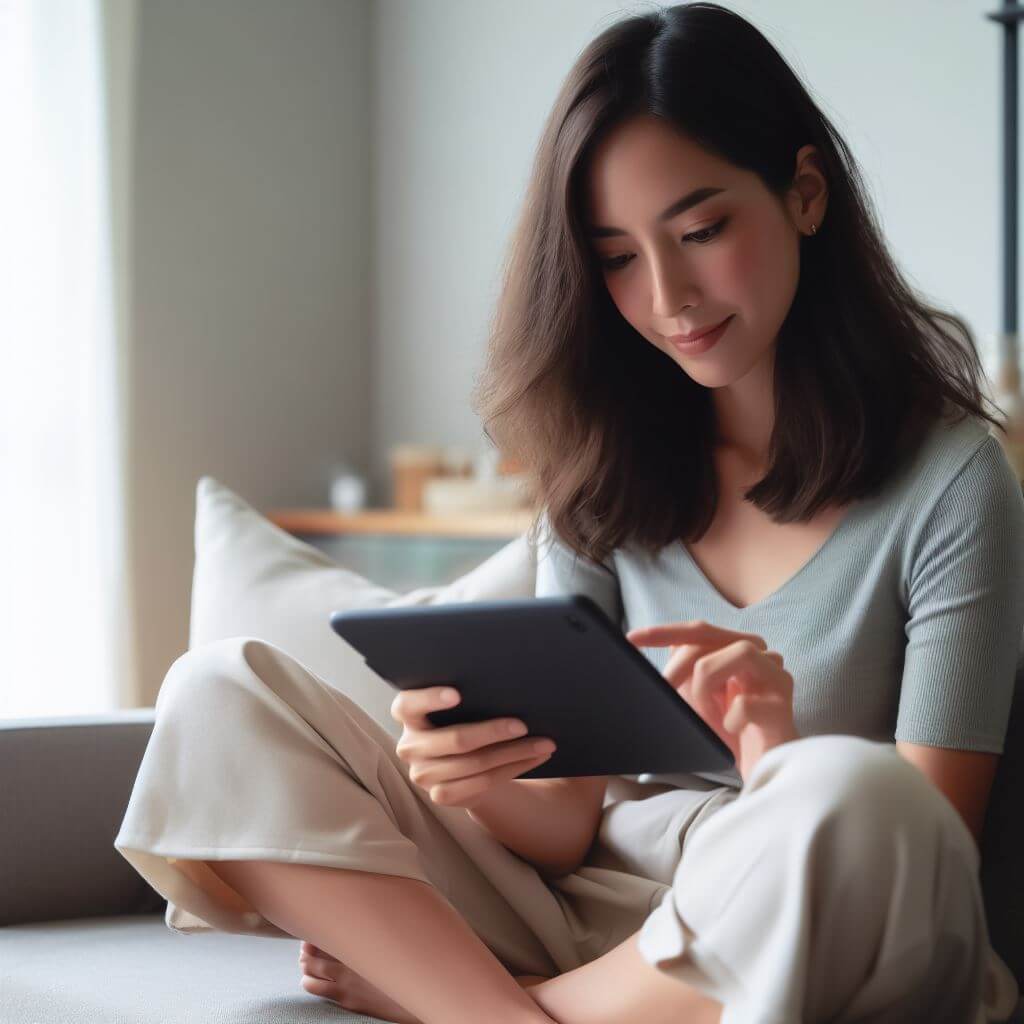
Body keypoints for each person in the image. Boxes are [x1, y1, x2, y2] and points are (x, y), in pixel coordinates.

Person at [114, 3, 1024, 1022]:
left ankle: (481, 1004)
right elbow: (561, 824)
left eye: (701, 229)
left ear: (803, 193)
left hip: (787, 915)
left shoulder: (951, 479)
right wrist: (474, 770)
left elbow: (932, 852)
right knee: (216, 692)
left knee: (855, 804)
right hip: (582, 907)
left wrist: (776, 760)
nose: (668, 295)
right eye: (619, 257)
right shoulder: (607, 466)